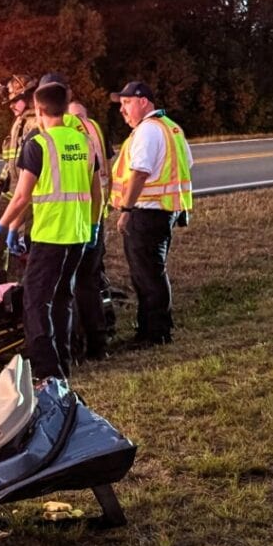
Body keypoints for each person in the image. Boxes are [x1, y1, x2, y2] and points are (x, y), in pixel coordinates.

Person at [0, 74, 102, 383]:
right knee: (62, 299)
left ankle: (45, 372)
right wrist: (93, 225)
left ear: (38, 108)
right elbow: (96, 190)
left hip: (50, 235)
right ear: (65, 107)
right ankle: (62, 363)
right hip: (78, 235)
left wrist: (2, 226)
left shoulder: (38, 143)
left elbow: (22, 195)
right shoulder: (83, 140)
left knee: (36, 303)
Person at [109, 81, 194, 347]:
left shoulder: (146, 131)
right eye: (121, 104)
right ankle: (155, 329)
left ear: (143, 101)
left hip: (146, 213)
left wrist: (126, 209)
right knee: (154, 272)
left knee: (146, 276)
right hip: (165, 211)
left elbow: (140, 171)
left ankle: (154, 334)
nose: (123, 110)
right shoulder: (171, 127)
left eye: (127, 103)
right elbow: (187, 163)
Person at [68, 100, 116, 360]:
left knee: (70, 288)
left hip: (68, 226)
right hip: (94, 217)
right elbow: (104, 173)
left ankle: (75, 348)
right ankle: (99, 344)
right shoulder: (93, 130)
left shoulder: (57, 137)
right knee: (90, 283)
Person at [0, 75, 39, 283]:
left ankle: (19, 285)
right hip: (12, 191)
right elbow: (11, 159)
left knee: (21, 241)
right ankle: (1, 281)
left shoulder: (35, 124)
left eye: (15, 100)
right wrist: (2, 181)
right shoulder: (20, 122)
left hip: (28, 195)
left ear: (29, 97)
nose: (11, 106)